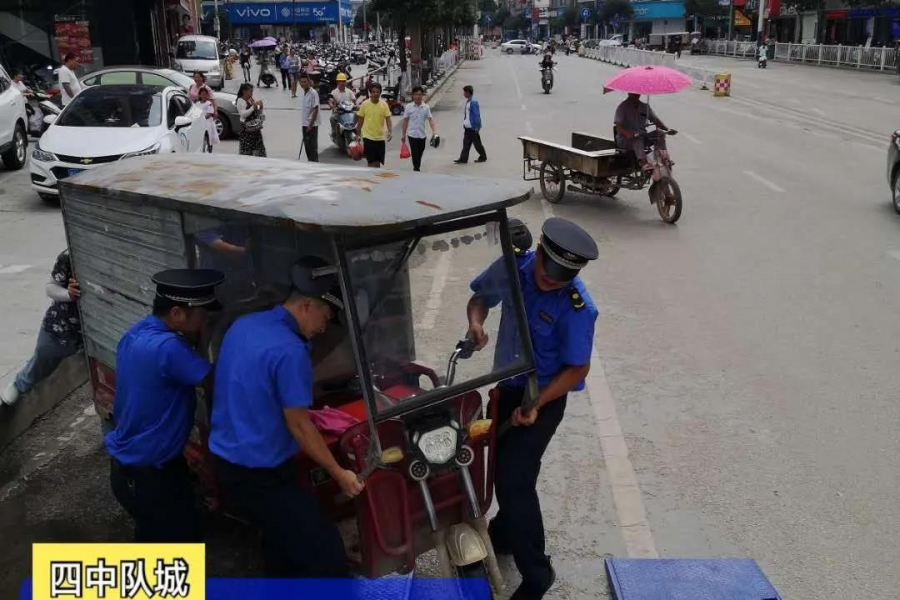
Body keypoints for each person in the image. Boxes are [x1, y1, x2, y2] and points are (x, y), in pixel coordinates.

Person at [467, 218, 598, 600]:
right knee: (499, 468)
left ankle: (538, 575)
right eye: (547, 272)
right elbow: (480, 299)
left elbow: (578, 366)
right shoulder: (513, 268)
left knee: (514, 478)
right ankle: (505, 533)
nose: (551, 282)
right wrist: (476, 324)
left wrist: (537, 403)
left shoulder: (577, 307)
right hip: (506, 387)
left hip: (544, 396)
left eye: (561, 279)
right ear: (538, 252)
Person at [209, 257, 364, 577]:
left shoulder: (245, 324)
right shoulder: (290, 350)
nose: (325, 327)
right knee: (326, 555)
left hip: (228, 463)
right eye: (326, 316)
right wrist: (339, 473)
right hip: (260, 475)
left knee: (282, 544)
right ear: (307, 304)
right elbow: (299, 425)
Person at [105, 269, 225, 542]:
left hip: (137, 466)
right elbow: (216, 381)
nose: (206, 320)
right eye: (202, 314)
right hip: (150, 474)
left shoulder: (135, 333)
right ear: (177, 314)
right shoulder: (169, 349)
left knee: (162, 536)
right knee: (171, 548)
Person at [1, 251, 82, 407]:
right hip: (62, 325)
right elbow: (51, 287)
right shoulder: (68, 256)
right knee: (44, 355)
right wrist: (68, 294)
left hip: (91, 330)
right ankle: (20, 385)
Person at [614, 93, 669, 168]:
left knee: (660, 133)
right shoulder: (622, 107)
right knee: (637, 138)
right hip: (626, 140)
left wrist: (667, 129)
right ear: (629, 93)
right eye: (633, 93)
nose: (636, 94)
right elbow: (618, 127)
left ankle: (662, 157)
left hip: (643, 137)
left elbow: (656, 120)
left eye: (637, 92)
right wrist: (628, 134)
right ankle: (644, 163)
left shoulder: (644, 107)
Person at [401, 86, 438, 172]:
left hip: (422, 135)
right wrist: (403, 134)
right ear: (413, 95)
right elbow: (405, 121)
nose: (418, 96)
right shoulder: (408, 107)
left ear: (422, 95)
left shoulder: (426, 107)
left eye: (420, 94)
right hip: (412, 135)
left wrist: (434, 132)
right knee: (415, 153)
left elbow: (430, 120)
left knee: (420, 152)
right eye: (416, 94)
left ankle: (417, 166)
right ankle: (416, 169)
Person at [356, 82, 392, 168]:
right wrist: (358, 134)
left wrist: (390, 131)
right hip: (368, 137)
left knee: (378, 162)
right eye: (373, 92)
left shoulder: (384, 105)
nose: (375, 94)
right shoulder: (365, 104)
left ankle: (376, 180)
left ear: (380, 93)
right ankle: (370, 179)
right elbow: (360, 121)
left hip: (380, 138)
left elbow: (388, 119)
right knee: (371, 161)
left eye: (377, 92)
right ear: (370, 93)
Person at [454, 85, 486, 165]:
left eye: (465, 92)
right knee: (466, 143)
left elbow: (476, 115)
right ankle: (463, 159)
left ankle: (483, 156)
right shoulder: (468, 101)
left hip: (473, 128)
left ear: (468, 92)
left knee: (477, 144)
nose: (463, 94)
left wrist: (477, 127)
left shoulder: (473, 102)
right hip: (468, 127)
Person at [236, 83, 267, 157]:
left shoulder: (251, 100)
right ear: (244, 91)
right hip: (247, 130)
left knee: (259, 150)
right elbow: (243, 114)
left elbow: (259, 112)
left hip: (255, 128)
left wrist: (260, 107)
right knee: (247, 151)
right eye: (250, 91)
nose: (251, 94)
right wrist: (253, 107)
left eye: (252, 92)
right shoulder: (240, 101)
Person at [298, 73, 320, 162]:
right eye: (301, 82)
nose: (303, 84)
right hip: (305, 124)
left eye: (305, 82)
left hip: (312, 126)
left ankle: (315, 165)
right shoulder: (305, 93)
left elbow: (316, 109)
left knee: (312, 148)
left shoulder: (313, 93)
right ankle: (311, 163)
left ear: (309, 82)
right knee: (307, 147)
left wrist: (310, 125)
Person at [199, 87, 220, 151]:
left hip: (208, 123)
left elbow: (209, 114)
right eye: (202, 94)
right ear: (199, 95)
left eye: (205, 94)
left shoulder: (209, 103)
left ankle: (210, 148)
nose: (204, 96)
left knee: (209, 136)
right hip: (200, 123)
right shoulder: (197, 103)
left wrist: (202, 118)